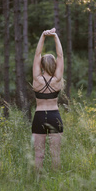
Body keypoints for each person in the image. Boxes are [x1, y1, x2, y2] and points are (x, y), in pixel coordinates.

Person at [32, 28, 64, 171]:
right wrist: (55, 36)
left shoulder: (37, 79)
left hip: (39, 117)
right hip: (54, 116)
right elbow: (60, 55)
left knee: (39, 155)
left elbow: (37, 54)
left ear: (42, 65)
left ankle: (37, 181)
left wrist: (43, 35)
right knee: (55, 155)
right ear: (55, 65)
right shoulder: (57, 79)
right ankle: (55, 181)